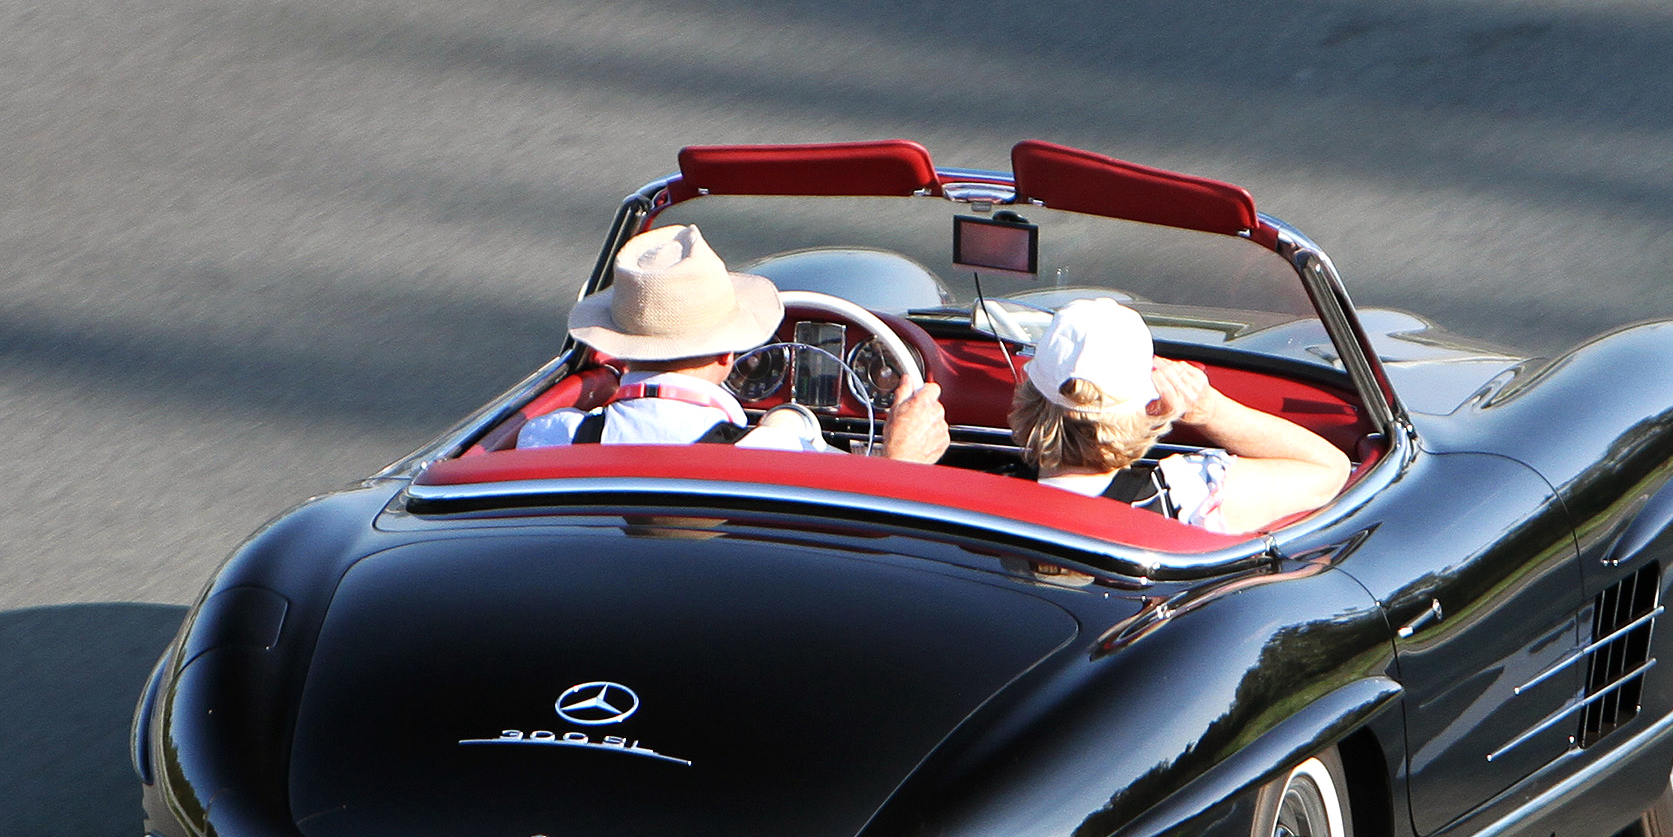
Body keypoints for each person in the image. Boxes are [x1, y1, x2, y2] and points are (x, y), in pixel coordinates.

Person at [518, 224, 947, 461]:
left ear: (620, 348)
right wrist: (900, 463)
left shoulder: (548, 440)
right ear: (729, 355)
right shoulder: (778, 455)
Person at [1010, 298, 1350, 534]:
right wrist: (1211, 411)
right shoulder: (1185, 492)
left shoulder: (982, 490)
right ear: (1152, 406)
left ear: (1030, 395)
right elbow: (1330, 469)